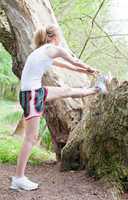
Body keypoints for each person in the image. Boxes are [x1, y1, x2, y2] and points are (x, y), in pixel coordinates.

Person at [10, 24, 103, 191]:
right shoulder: (52, 49)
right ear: (54, 37)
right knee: (31, 137)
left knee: (66, 91)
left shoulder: (43, 52)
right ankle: (18, 178)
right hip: (32, 94)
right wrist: (90, 68)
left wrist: (86, 71)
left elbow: (71, 66)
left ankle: (96, 89)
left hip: (35, 92)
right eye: (60, 35)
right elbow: (74, 60)